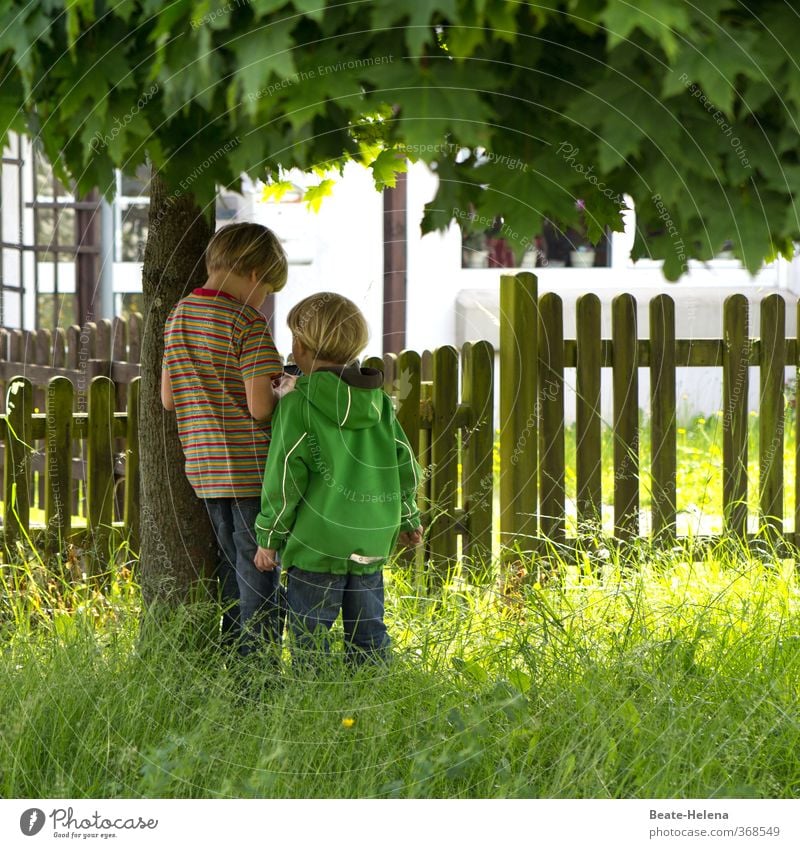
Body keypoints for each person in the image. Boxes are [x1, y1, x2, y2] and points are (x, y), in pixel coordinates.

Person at [253, 293, 423, 664]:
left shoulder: (298, 406)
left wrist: (269, 538)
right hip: (372, 539)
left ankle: (312, 699)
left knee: (309, 636)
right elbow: (404, 466)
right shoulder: (379, 403)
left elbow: (285, 477)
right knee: (370, 632)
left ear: (299, 345)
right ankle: (372, 697)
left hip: (318, 545)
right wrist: (410, 518)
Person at [161, 222, 289, 658]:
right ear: (255, 274)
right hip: (251, 469)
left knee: (233, 568)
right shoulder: (246, 322)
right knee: (259, 569)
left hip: (205, 469)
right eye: (268, 289)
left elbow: (167, 397)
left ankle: (234, 654)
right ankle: (258, 669)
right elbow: (260, 408)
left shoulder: (179, 316)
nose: (264, 300)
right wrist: (282, 388)